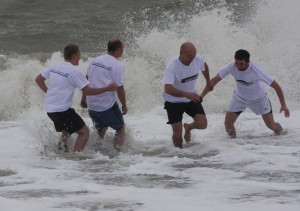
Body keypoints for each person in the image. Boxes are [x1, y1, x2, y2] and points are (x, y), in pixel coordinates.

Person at [35, 44, 118, 153]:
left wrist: (48, 92)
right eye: (79, 54)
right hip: (62, 110)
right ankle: (76, 158)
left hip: (50, 109)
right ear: (74, 56)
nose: (80, 57)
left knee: (66, 131)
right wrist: (106, 88)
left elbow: (38, 79)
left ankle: (60, 154)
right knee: (84, 132)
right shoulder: (74, 71)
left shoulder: (55, 66)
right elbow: (87, 91)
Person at [201, 49, 290, 138]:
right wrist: (201, 96)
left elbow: (276, 86)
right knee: (228, 123)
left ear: (248, 62)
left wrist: (283, 105)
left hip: (259, 99)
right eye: (236, 63)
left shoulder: (257, 71)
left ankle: (282, 135)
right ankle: (233, 144)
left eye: (241, 64)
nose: (238, 66)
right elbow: (214, 81)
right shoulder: (231, 66)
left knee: (271, 126)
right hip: (239, 98)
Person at [162, 42, 213, 148]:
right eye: (189, 56)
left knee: (202, 124)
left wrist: (208, 81)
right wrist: (185, 94)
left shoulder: (197, 58)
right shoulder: (172, 66)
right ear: (181, 53)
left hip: (191, 98)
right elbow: (168, 88)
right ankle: (179, 156)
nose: (192, 58)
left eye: (193, 56)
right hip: (173, 102)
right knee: (178, 136)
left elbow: (204, 66)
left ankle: (188, 127)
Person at [81, 38, 127, 151]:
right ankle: (117, 154)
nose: (122, 51)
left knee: (101, 129)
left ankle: (96, 154)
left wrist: (84, 98)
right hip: (105, 106)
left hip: (92, 105)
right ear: (117, 49)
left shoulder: (95, 60)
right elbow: (120, 88)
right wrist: (124, 105)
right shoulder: (117, 65)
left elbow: (86, 80)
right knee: (120, 128)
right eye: (122, 49)